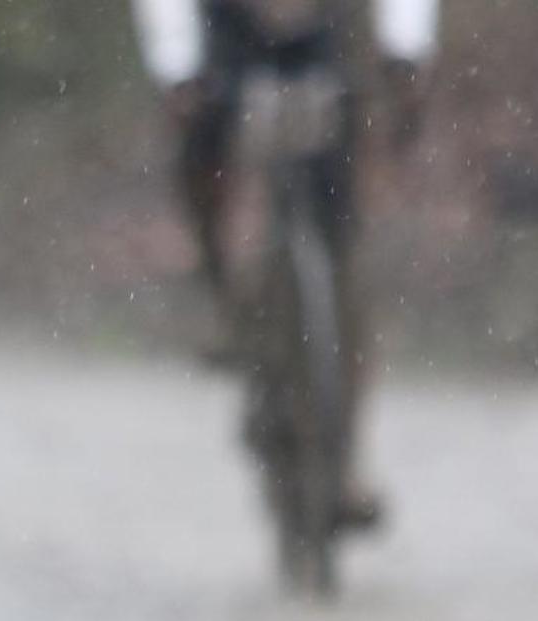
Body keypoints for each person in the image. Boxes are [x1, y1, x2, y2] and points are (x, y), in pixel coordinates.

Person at [133, 0, 437, 519]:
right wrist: (178, 67)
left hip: (322, 37)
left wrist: (404, 54)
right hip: (228, 33)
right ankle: (225, 299)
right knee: (202, 159)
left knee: (341, 240)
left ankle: (343, 460)